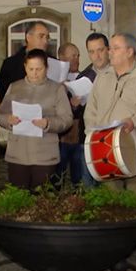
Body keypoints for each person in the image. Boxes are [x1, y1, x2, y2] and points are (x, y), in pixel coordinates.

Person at [83, 33, 136, 201]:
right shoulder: (102, 78)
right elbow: (91, 110)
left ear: (129, 52)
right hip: (104, 149)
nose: (110, 52)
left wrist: (135, 120)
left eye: (115, 48)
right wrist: (92, 136)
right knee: (110, 202)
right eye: (110, 48)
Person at [0, 49, 73, 190]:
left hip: (44, 154)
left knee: (42, 201)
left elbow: (67, 119)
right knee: (18, 198)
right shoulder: (14, 87)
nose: (35, 73)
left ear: (46, 68)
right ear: (25, 67)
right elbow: (0, 114)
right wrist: (8, 119)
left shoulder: (56, 89)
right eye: (31, 69)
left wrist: (48, 123)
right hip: (17, 153)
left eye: (39, 69)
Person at [77, 33, 111, 187]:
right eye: (91, 52)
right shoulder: (84, 76)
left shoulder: (118, 73)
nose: (96, 56)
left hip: (112, 135)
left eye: (100, 50)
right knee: (88, 183)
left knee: (110, 184)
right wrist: (75, 104)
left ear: (108, 50)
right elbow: (76, 115)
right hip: (89, 137)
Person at [0, 21, 50, 98]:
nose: (45, 41)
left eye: (47, 37)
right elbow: (3, 94)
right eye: (41, 36)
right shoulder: (11, 64)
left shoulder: (53, 62)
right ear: (28, 37)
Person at [56, 42, 84, 185]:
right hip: (60, 138)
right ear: (62, 57)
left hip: (78, 136)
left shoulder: (84, 77)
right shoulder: (54, 81)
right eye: (73, 55)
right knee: (57, 177)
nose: (76, 59)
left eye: (78, 55)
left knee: (78, 178)